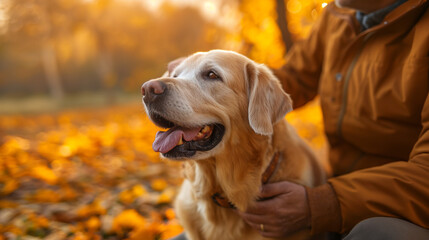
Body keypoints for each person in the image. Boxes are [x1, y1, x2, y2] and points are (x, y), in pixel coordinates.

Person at [238, 0, 429, 239]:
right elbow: (294, 79)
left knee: (375, 233)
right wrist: (211, 80)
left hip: (405, 215)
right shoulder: (338, 14)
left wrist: (321, 205)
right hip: (340, 192)